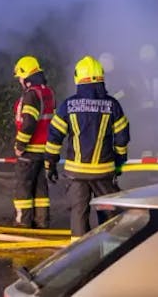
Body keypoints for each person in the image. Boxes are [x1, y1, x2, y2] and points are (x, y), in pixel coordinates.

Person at [45, 55, 130, 237]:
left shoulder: (68, 106)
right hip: (104, 173)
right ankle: (109, 254)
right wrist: (119, 163)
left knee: (78, 215)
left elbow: (54, 138)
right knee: (108, 217)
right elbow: (122, 138)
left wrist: (49, 164)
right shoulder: (112, 105)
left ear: (77, 78)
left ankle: (80, 259)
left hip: (76, 174)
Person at [10, 54, 55, 228]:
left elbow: (28, 123)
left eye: (20, 77)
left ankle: (23, 223)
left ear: (26, 76)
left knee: (23, 188)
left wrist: (20, 145)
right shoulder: (48, 92)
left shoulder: (31, 95)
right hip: (45, 150)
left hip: (29, 150)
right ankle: (42, 222)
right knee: (41, 189)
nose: (19, 81)